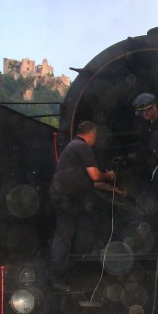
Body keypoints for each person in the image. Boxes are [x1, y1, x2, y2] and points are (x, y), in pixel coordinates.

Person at [47, 121, 117, 289]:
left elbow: (93, 183)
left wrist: (117, 191)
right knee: (64, 236)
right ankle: (57, 277)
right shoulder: (82, 147)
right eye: (96, 136)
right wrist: (108, 175)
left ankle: (71, 267)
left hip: (64, 196)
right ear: (91, 134)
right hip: (67, 198)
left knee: (72, 229)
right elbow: (95, 176)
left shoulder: (73, 147)